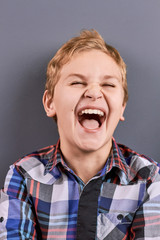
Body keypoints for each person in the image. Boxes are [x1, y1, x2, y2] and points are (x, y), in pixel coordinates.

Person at [0, 29, 160, 240]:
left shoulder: (148, 178)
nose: (94, 92)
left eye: (108, 84)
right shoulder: (24, 175)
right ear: (50, 103)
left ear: (121, 108)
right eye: (77, 82)